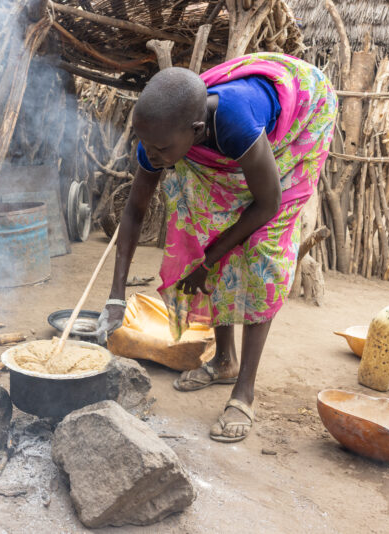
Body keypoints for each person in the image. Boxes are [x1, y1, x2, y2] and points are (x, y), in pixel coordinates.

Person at [94, 52, 337, 443]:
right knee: (211, 230)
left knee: (261, 251)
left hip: (303, 113)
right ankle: (223, 360)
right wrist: (116, 295)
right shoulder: (161, 136)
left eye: (159, 148)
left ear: (196, 130)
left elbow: (268, 204)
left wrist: (206, 263)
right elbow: (135, 213)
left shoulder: (235, 124)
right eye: (144, 144)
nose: (150, 155)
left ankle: (244, 390)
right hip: (231, 137)